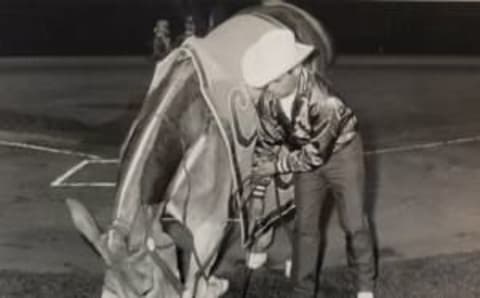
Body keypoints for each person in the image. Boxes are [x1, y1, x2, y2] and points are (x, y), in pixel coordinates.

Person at [241, 29, 377, 298]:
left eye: (276, 80)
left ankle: (365, 284)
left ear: (296, 70)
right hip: (303, 158)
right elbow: (266, 145)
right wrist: (257, 195)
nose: (269, 88)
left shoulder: (324, 100)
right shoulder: (269, 99)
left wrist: (277, 167)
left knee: (353, 223)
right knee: (305, 228)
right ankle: (302, 291)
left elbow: (317, 154)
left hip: (342, 154)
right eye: (266, 82)